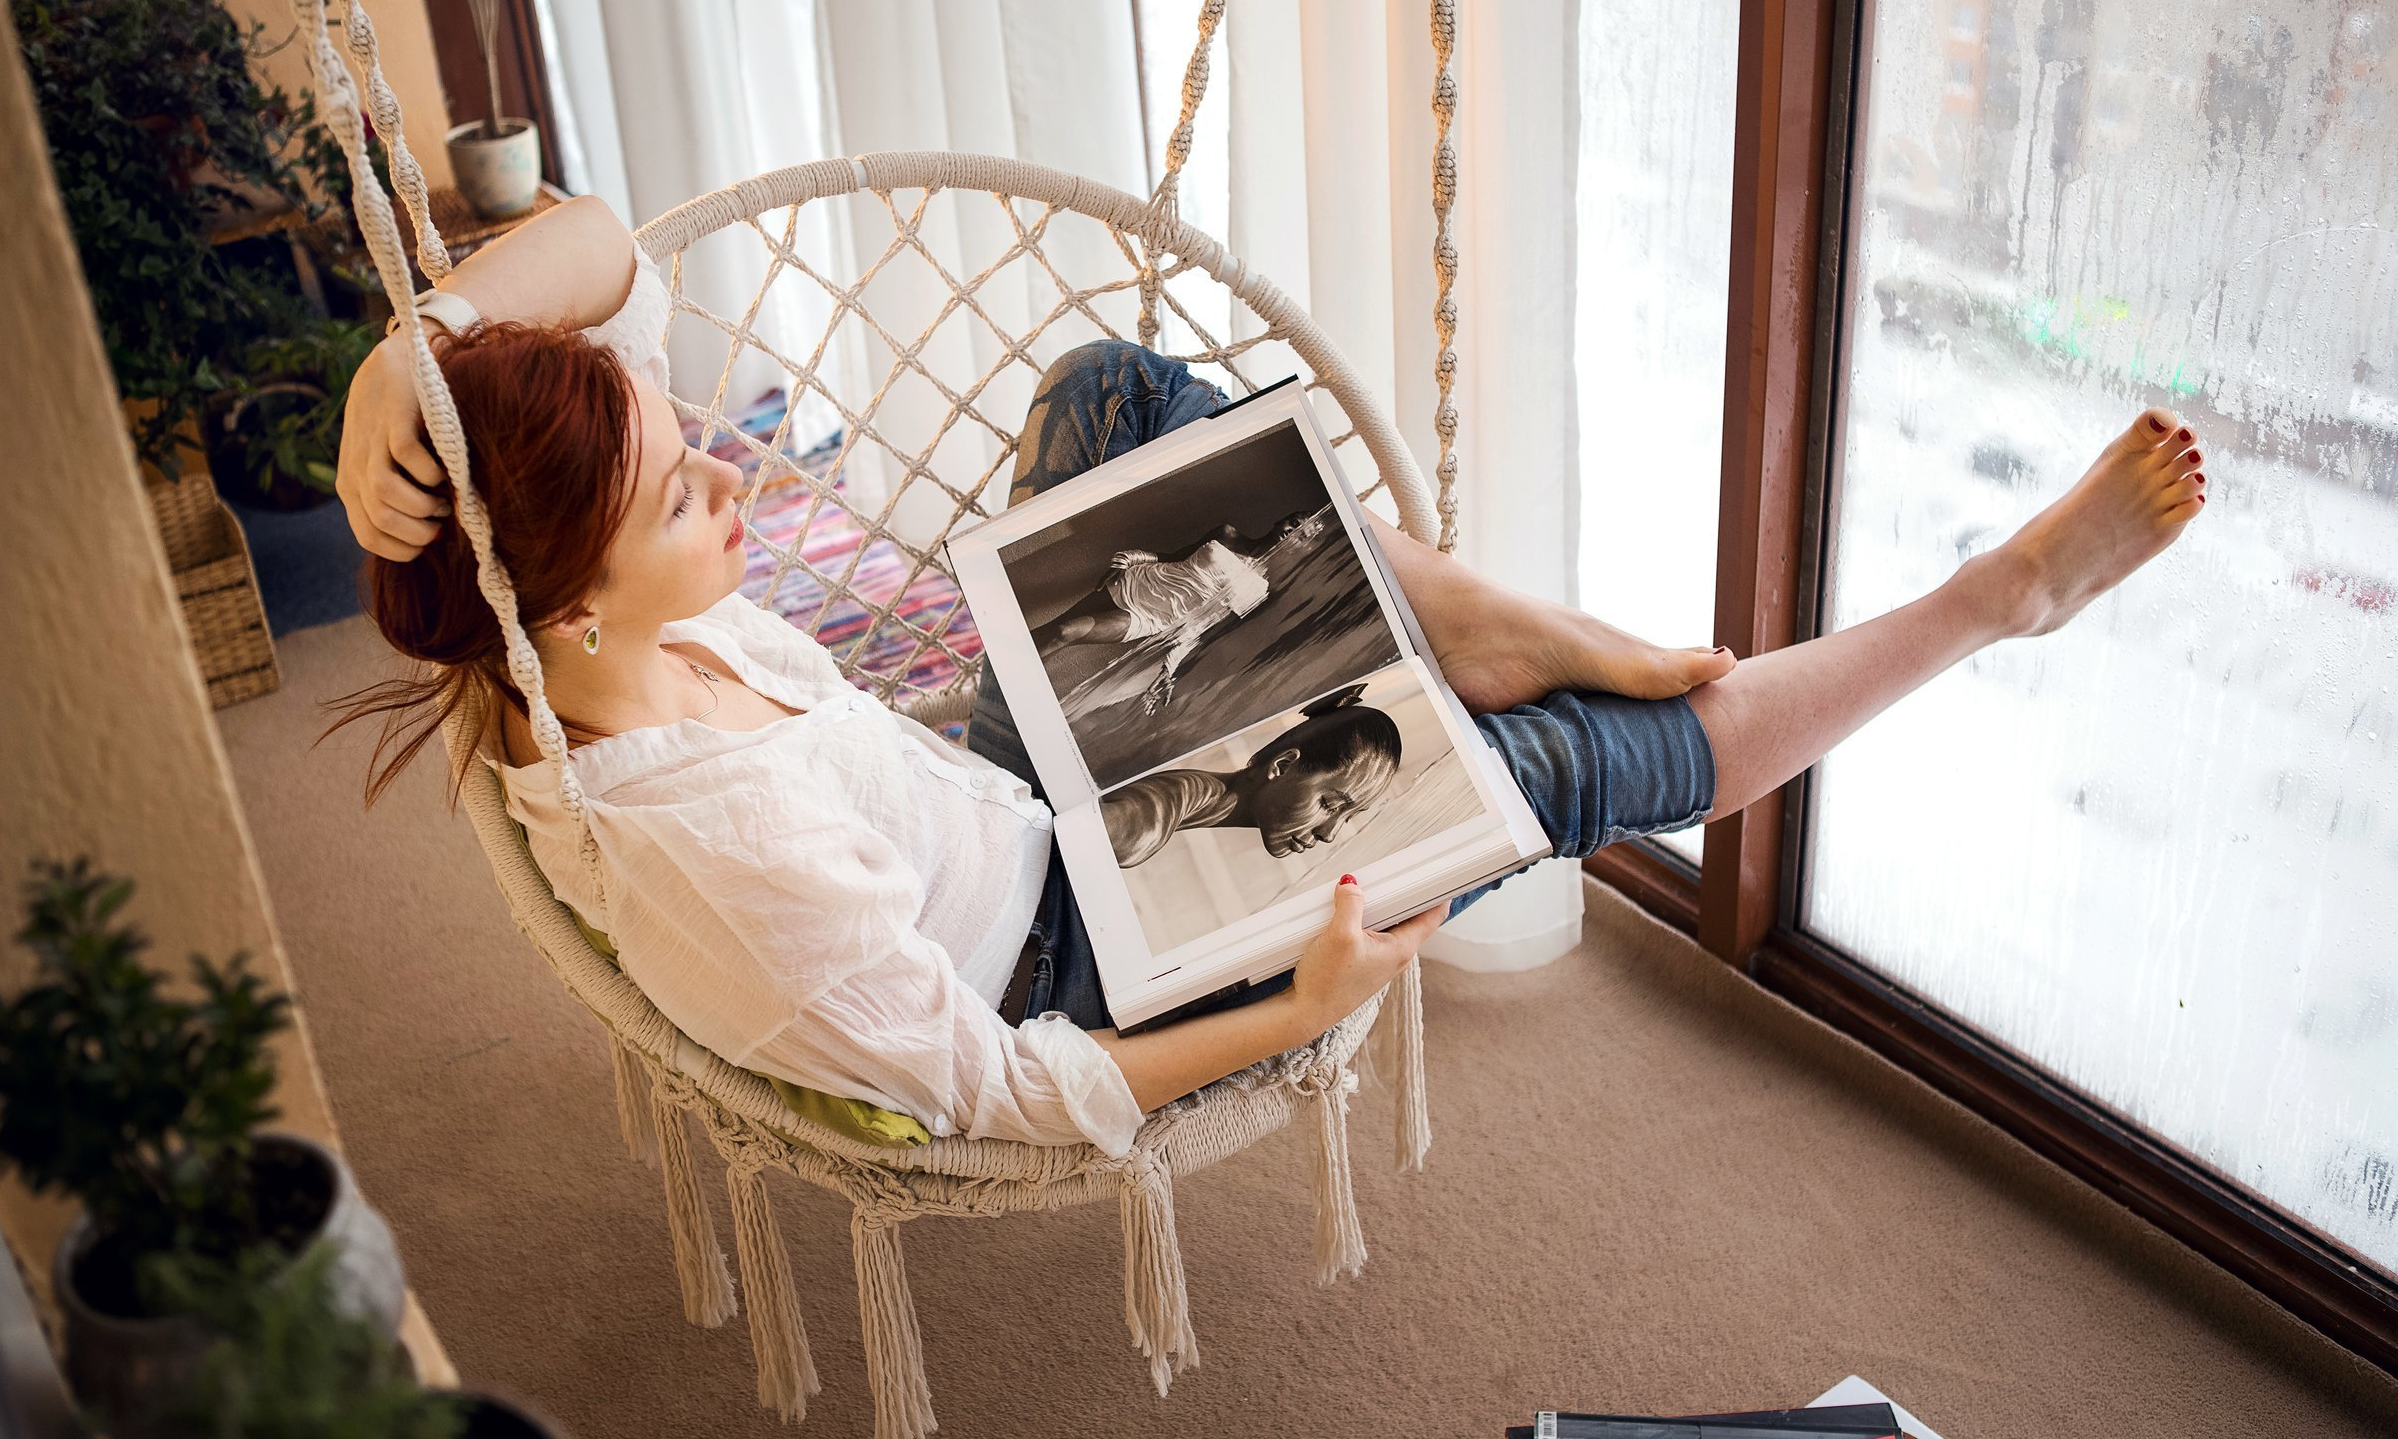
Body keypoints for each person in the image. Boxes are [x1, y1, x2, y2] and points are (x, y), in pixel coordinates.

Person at [333, 196, 2208, 1157]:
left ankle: (1450, 601)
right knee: (1541, 769)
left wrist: (405, 356)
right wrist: (1301, 998)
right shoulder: (711, 856)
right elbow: (1012, 1084)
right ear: (570, 611)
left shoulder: (568, 615)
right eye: (690, 485)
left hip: (1005, 794)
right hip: (1076, 940)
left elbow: (608, 253)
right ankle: (1991, 601)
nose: (739, 473)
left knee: (1104, 400)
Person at [1040, 509, 1328, 712]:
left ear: (1301, 550)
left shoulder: (1257, 590)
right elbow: (1173, 557)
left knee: (1065, 631)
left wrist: (1170, 667)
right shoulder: (1227, 533)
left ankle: (1014, 682)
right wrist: (1129, 558)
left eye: (1303, 536)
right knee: (1045, 631)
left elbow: (1202, 626)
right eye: (1294, 523)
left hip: (1151, 617)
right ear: (1281, 519)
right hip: (1137, 581)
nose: (1293, 532)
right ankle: (998, 662)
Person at [1100, 683, 1401, 867]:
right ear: (1282, 766)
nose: (1329, 834)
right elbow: (1121, 835)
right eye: (1330, 805)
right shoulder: (1179, 797)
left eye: (1347, 817)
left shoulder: (1194, 799)